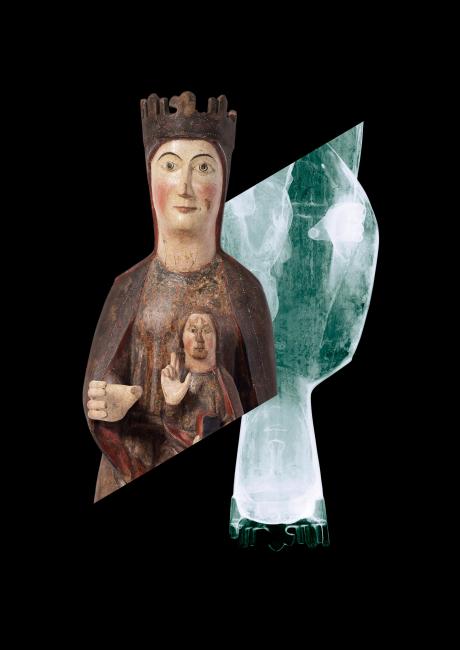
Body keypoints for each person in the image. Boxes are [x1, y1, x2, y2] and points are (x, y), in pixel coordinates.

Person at [83, 91, 276, 501]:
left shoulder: (244, 290)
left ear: (222, 181)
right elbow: (101, 383)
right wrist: (111, 400)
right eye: (170, 165)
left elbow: (264, 407)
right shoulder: (128, 287)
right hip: (132, 469)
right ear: (151, 177)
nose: (185, 187)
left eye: (203, 167)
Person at [161, 311, 243, 449]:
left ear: (217, 339)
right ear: (181, 338)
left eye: (206, 330)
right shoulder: (176, 377)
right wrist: (171, 403)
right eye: (193, 330)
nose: (199, 339)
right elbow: (170, 428)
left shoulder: (224, 381)